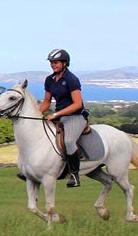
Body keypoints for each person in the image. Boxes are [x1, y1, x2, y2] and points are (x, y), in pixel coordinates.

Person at [39, 49, 87, 188]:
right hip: (60, 116)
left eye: (56, 62)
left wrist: (56, 114)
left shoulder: (71, 79)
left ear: (65, 63)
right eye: (51, 62)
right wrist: (37, 114)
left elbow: (77, 104)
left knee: (69, 141)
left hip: (75, 116)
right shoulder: (50, 80)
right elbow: (46, 102)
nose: (53, 65)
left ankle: (74, 175)